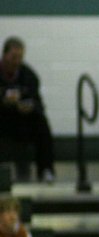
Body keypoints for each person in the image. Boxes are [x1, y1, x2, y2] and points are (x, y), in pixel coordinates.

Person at [0, 38, 56, 182]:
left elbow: (38, 104)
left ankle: (46, 170)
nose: (16, 61)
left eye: (20, 57)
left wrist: (29, 107)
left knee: (42, 124)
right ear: (4, 55)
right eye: (13, 57)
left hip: (21, 122)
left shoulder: (29, 76)